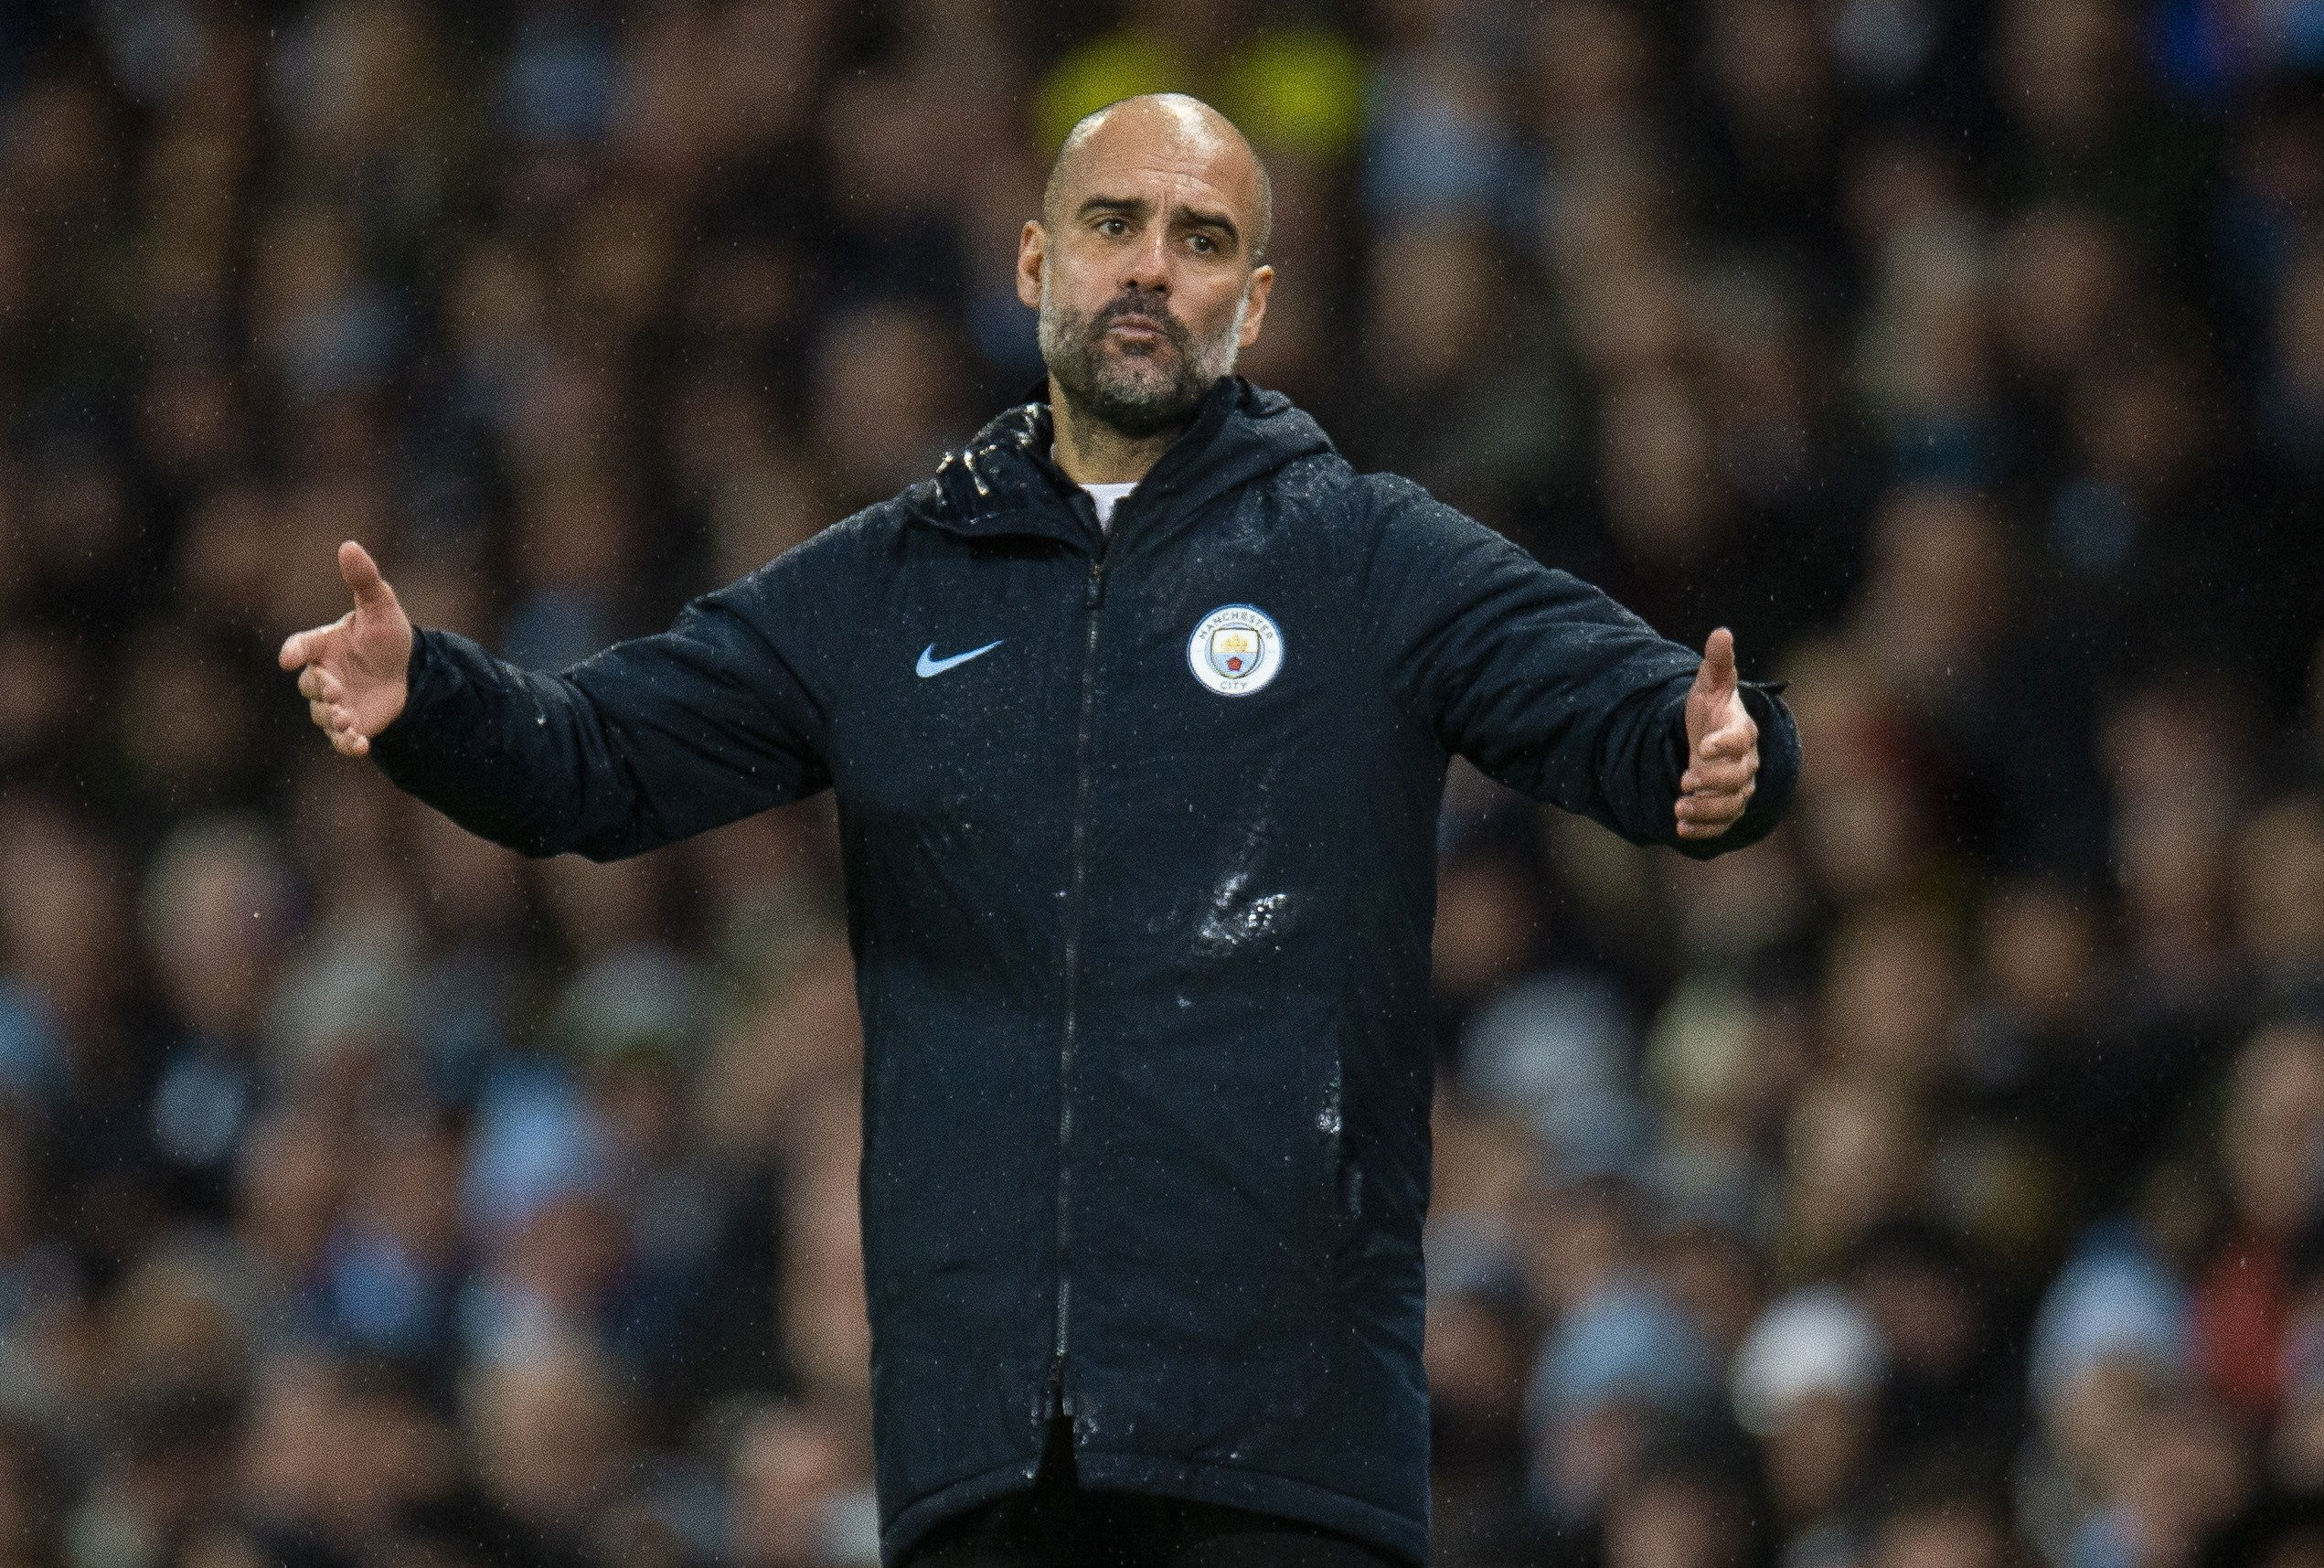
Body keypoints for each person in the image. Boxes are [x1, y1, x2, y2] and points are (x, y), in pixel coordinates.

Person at [280, 94, 1800, 1568]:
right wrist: (432, 700)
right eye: (1112, 223)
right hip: (987, 1454)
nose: (1150, 267)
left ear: (1256, 301)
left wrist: (1720, 753)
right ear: (1033, 262)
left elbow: (1632, 710)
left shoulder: (1363, 556)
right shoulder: (886, 586)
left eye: (1201, 239)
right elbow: (594, 762)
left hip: (1288, 1451)